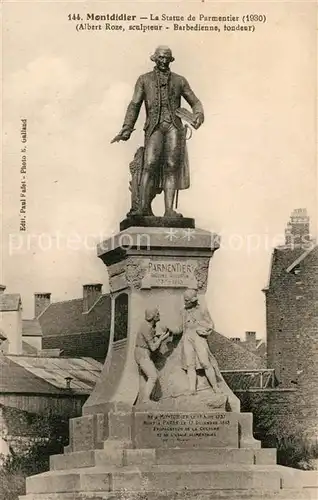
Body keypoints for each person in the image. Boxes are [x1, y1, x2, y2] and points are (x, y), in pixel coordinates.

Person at [112, 45, 204, 217]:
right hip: (154, 127)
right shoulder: (144, 80)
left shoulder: (179, 80)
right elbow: (134, 105)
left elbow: (195, 101)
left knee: (171, 166)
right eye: (160, 57)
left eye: (166, 58)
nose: (163, 61)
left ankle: (169, 210)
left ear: (170, 59)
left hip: (173, 128)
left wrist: (198, 114)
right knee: (149, 164)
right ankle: (143, 208)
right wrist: (127, 128)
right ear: (154, 58)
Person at [173, 288, 223, 395]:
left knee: (205, 363)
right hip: (187, 338)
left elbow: (210, 324)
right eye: (184, 300)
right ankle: (192, 389)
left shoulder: (202, 310)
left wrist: (204, 330)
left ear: (193, 300)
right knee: (190, 365)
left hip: (198, 337)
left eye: (187, 300)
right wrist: (171, 330)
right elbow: (180, 328)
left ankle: (215, 387)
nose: (185, 302)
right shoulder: (183, 312)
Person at [134, 307, 170, 402]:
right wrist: (162, 338)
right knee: (153, 376)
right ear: (152, 317)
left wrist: (160, 336)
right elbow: (153, 348)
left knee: (146, 378)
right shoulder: (147, 327)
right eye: (157, 314)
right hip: (143, 354)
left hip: (143, 353)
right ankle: (146, 400)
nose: (159, 315)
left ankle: (146, 399)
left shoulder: (148, 326)